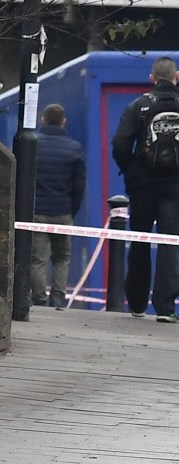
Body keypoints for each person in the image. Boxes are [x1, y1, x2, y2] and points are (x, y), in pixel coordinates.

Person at [110, 56, 179, 323]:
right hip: (175, 187)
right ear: (177, 76)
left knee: (140, 241)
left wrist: (133, 173)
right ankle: (166, 308)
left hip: (142, 185)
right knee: (170, 244)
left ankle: (136, 303)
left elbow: (120, 145)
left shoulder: (137, 107)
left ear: (152, 78)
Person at [31, 103, 85, 310]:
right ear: (64, 121)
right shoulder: (74, 148)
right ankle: (58, 298)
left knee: (38, 259)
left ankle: (39, 300)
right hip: (63, 211)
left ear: (43, 119)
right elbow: (79, 186)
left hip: (38, 212)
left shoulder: (33, 145)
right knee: (62, 258)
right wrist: (71, 211)